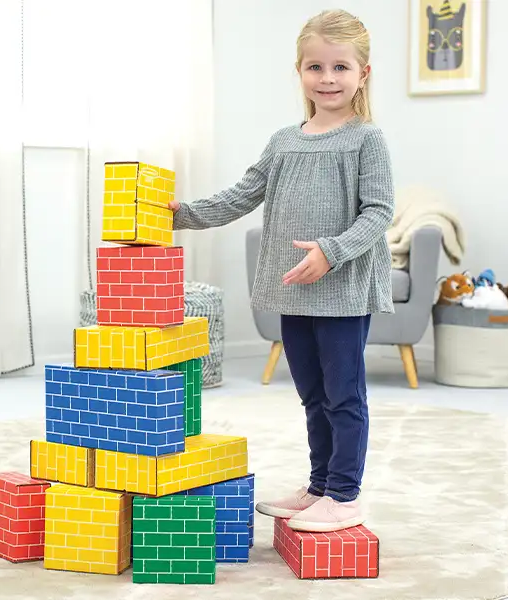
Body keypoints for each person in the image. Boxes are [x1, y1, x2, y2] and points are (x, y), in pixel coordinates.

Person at [169, 9, 394, 533]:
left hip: (340, 293)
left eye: (340, 67)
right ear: (300, 72)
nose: (328, 78)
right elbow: (243, 194)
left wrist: (331, 252)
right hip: (294, 293)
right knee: (312, 395)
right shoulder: (284, 141)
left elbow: (378, 212)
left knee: (344, 395)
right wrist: (182, 215)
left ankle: (344, 494)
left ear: (363, 74)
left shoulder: (367, 139)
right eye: (316, 67)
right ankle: (319, 486)